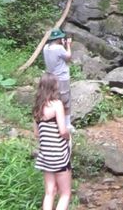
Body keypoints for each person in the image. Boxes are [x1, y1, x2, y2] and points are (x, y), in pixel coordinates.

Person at [33, 72, 72, 210]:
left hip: (45, 156)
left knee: (50, 192)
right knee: (65, 193)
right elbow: (62, 131)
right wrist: (68, 135)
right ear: (52, 86)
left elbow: (36, 134)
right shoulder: (57, 104)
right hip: (59, 155)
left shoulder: (37, 107)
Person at [43, 28, 73, 129]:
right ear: (59, 39)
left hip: (50, 77)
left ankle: (53, 121)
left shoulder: (46, 47)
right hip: (62, 78)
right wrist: (68, 45)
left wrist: (62, 46)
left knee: (52, 99)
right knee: (65, 101)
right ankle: (67, 125)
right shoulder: (59, 49)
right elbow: (68, 57)